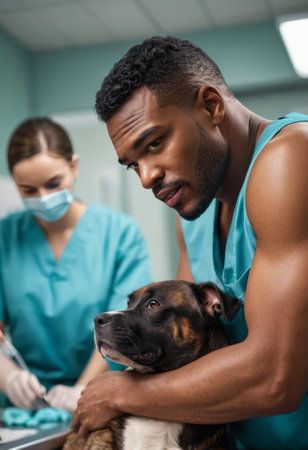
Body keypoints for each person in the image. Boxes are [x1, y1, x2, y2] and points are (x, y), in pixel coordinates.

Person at [71, 36, 308, 448]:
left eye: (155, 143)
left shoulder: (290, 160)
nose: (146, 177)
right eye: (133, 165)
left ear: (211, 106)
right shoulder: (194, 218)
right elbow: (180, 362)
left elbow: (275, 378)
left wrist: (119, 391)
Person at [0, 117, 153, 413]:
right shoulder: (5, 237)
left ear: (74, 166)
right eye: (28, 190)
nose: (43, 199)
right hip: (24, 407)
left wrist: (83, 389)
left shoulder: (119, 234)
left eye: (53, 184)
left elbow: (126, 324)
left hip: (103, 394)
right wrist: (8, 377)